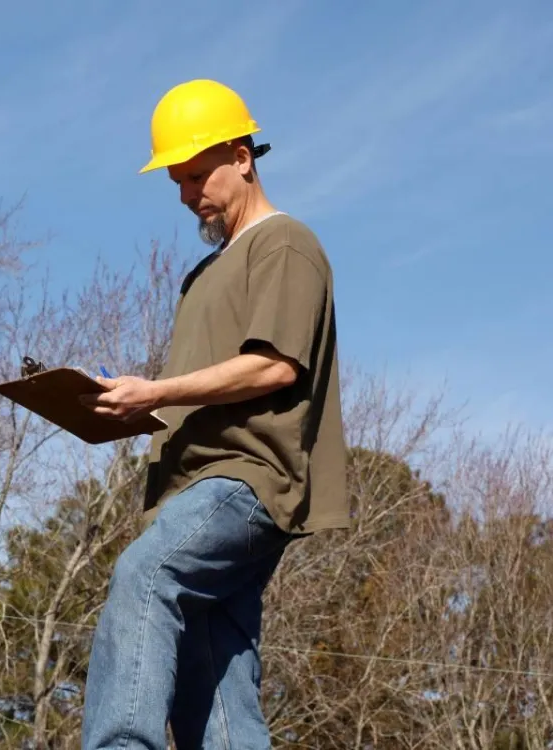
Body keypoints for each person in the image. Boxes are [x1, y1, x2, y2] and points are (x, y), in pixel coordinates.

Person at [77, 79, 350, 749]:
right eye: (177, 182)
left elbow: (275, 365)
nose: (186, 194)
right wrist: (129, 408)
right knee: (215, 679)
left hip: (246, 479)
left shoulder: (284, 243)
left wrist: (156, 391)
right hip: (190, 485)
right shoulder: (202, 275)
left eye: (197, 175)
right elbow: (203, 390)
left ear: (242, 157)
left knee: (146, 575)